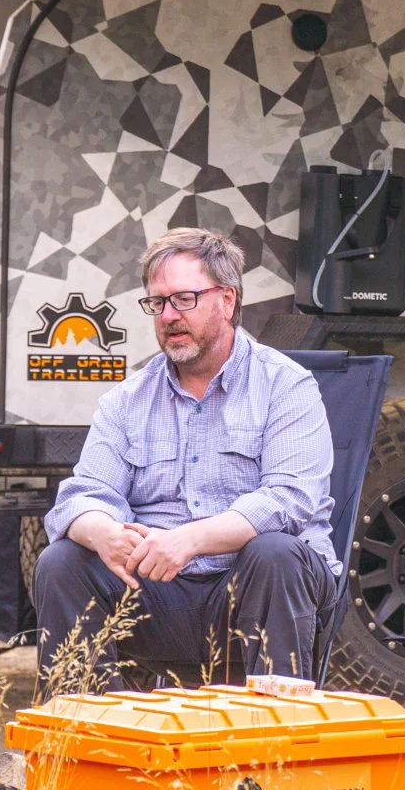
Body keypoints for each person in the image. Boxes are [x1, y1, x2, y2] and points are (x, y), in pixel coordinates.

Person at [31, 227, 338, 692]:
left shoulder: (285, 386)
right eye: (158, 303)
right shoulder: (127, 399)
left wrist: (189, 540)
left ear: (228, 300)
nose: (169, 316)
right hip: (156, 591)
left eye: (184, 299)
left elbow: (290, 500)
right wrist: (105, 533)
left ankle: (276, 746)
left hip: (253, 587)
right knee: (61, 562)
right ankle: (90, 741)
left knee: (276, 551)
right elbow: (82, 496)